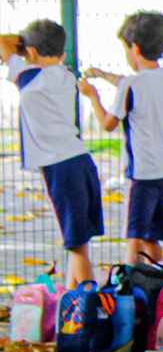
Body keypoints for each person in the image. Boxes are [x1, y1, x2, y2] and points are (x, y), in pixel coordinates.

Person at [1, 21, 102, 287]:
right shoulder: (66, 75)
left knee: (76, 247)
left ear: (31, 53)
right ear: (62, 53)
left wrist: (21, 46)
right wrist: (26, 48)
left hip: (62, 168)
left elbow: (2, 42)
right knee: (77, 243)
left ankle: (88, 303)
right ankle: (71, 298)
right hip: (79, 162)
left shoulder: (31, 78)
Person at [78, 10, 163, 266]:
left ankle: (131, 283)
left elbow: (108, 124)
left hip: (141, 173)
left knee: (134, 236)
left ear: (135, 48)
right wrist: (103, 74)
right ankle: (158, 279)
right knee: (152, 237)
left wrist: (92, 96)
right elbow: (130, 84)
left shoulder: (131, 84)